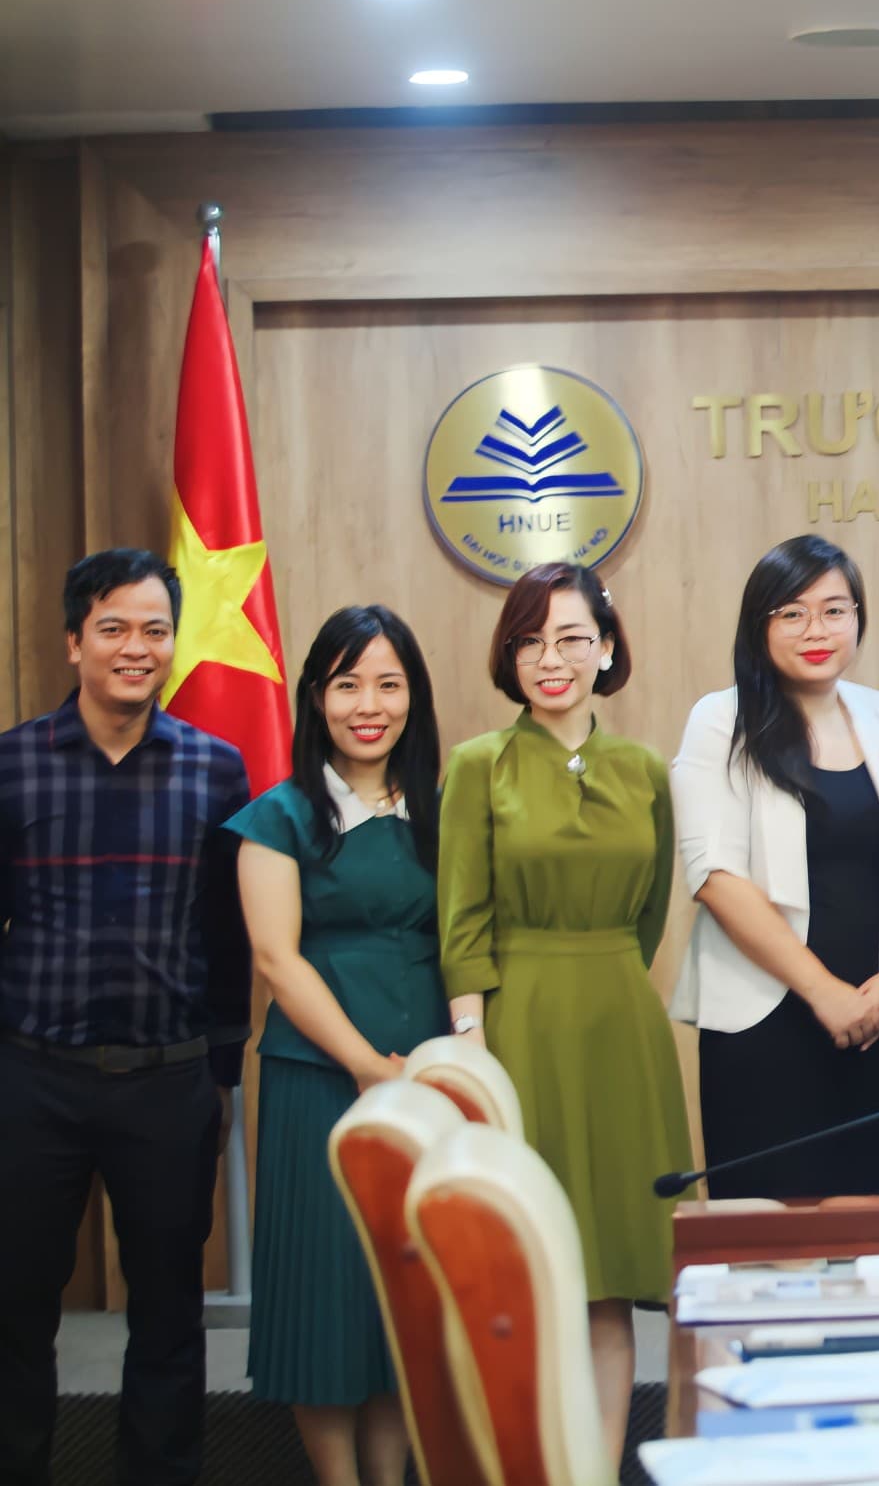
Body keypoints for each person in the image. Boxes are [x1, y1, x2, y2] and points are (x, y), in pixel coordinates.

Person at [0, 549, 252, 1486]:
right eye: (113, 628)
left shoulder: (216, 769)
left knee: (169, 1318)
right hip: (33, 1081)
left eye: (155, 629)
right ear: (74, 642)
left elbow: (227, 936)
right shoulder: (13, 765)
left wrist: (219, 1072)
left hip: (167, 1083)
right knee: (15, 1313)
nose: (135, 647)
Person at [438, 561, 687, 1453]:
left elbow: (652, 913)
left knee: (608, 1273)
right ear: (509, 657)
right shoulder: (479, 764)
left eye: (573, 638)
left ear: (607, 648)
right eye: (531, 641)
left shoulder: (645, 769)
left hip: (620, 1025)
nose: (552, 659)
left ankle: (601, 1463)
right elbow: (461, 917)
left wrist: (608, 976)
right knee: (524, 1265)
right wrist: (472, 1038)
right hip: (517, 1026)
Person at [227, 606, 449, 1486]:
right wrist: (364, 1065)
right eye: (348, 684)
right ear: (316, 697)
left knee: (403, 1289)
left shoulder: (443, 810)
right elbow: (276, 960)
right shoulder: (277, 817)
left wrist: (425, 1069)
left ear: (413, 697)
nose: (370, 705)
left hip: (429, 1078)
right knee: (324, 1287)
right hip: (320, 1079)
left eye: (389, 684)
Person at [671, 536, 879, 1198]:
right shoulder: (720, 721)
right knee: (771, 1235)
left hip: (878, 1023)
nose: (816, 630)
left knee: (878, 1230)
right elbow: (715, 877)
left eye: (834, 610)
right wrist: (824, 992)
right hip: (764, 1029)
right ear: (760, 625)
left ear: (858, 618)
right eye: (792, 613)